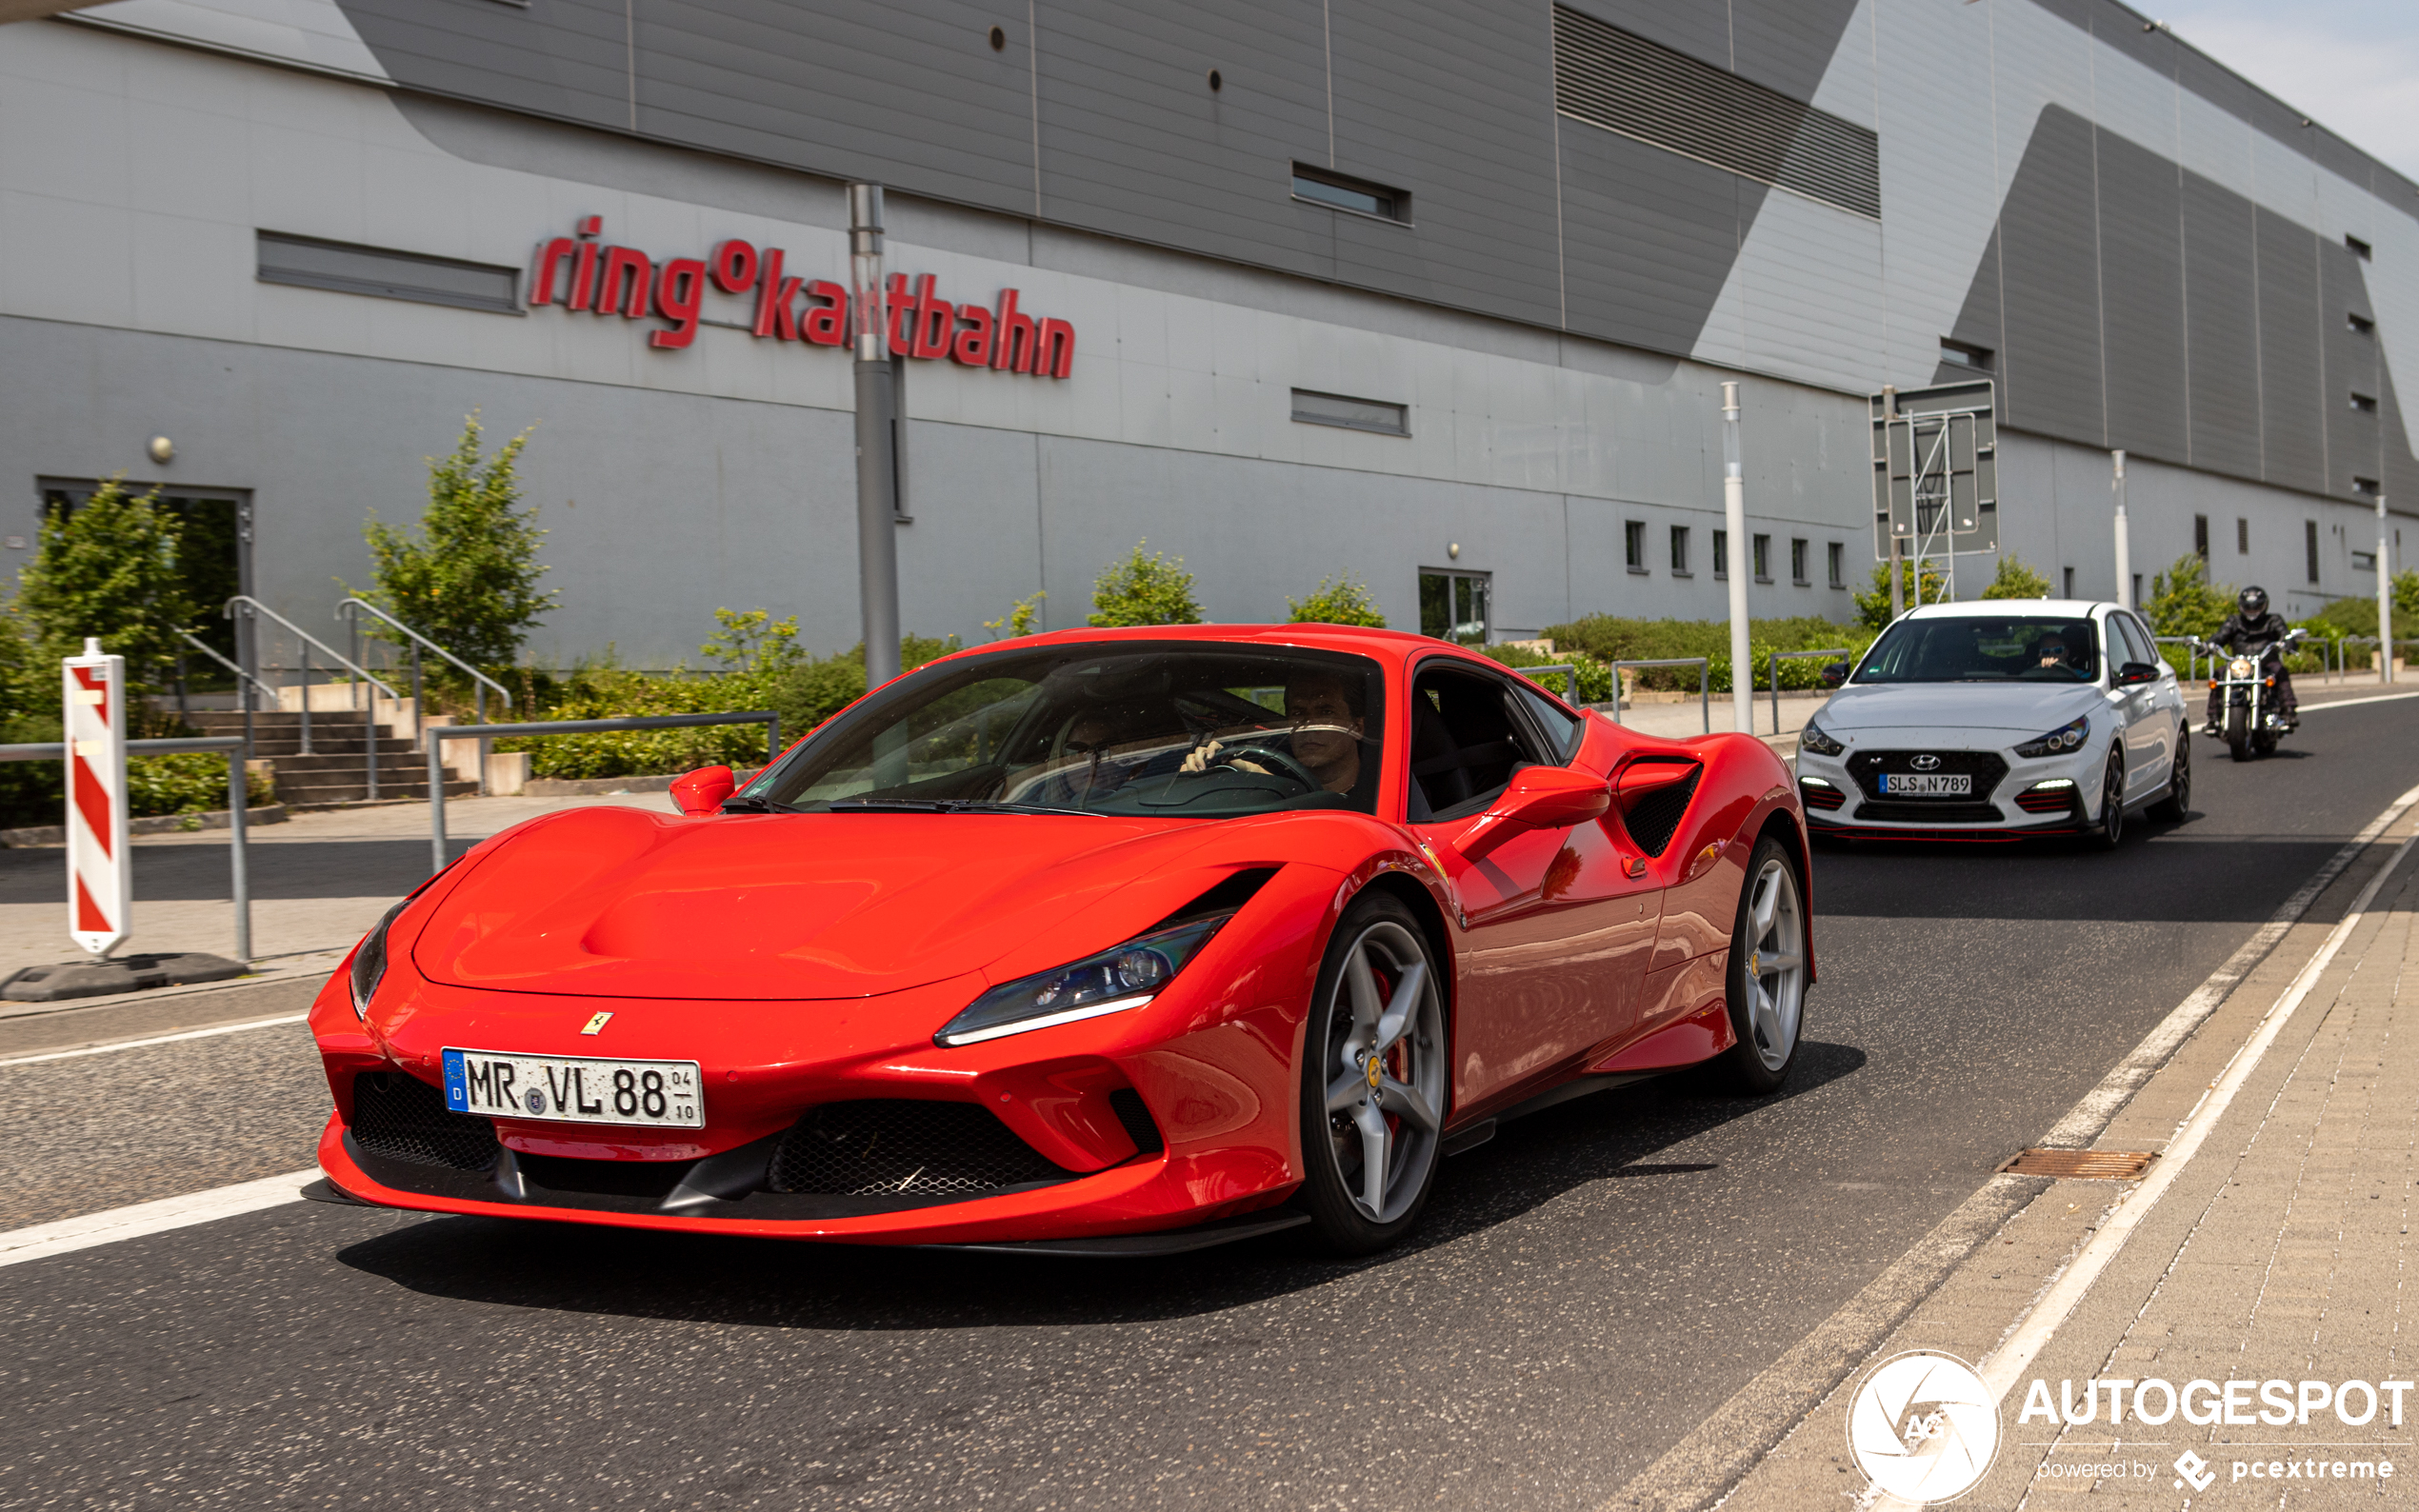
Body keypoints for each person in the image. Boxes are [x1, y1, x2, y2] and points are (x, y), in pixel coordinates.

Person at [1179, 670, 1373, 805]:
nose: (1308, 725)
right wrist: (1198, 775)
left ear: (1357, 726)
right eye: (1298, 713)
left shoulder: (1383, 796)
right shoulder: (1265, 785)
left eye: (1326, 712)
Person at [2204, 585, 2296, 734]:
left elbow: (2284, 634)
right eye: (2248, 608)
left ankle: (2289, 712)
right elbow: (2220, 635)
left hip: (2266, 662)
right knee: (2219, 674)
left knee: (2280, 671)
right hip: (2240, 664)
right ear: (2241, 606)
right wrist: (2209, 645)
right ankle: (2213, 717)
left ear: (2264, 606)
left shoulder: (2273, 620)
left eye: (2255, 608)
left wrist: (2287, 642)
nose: (2252, 612)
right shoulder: (2234, 622)